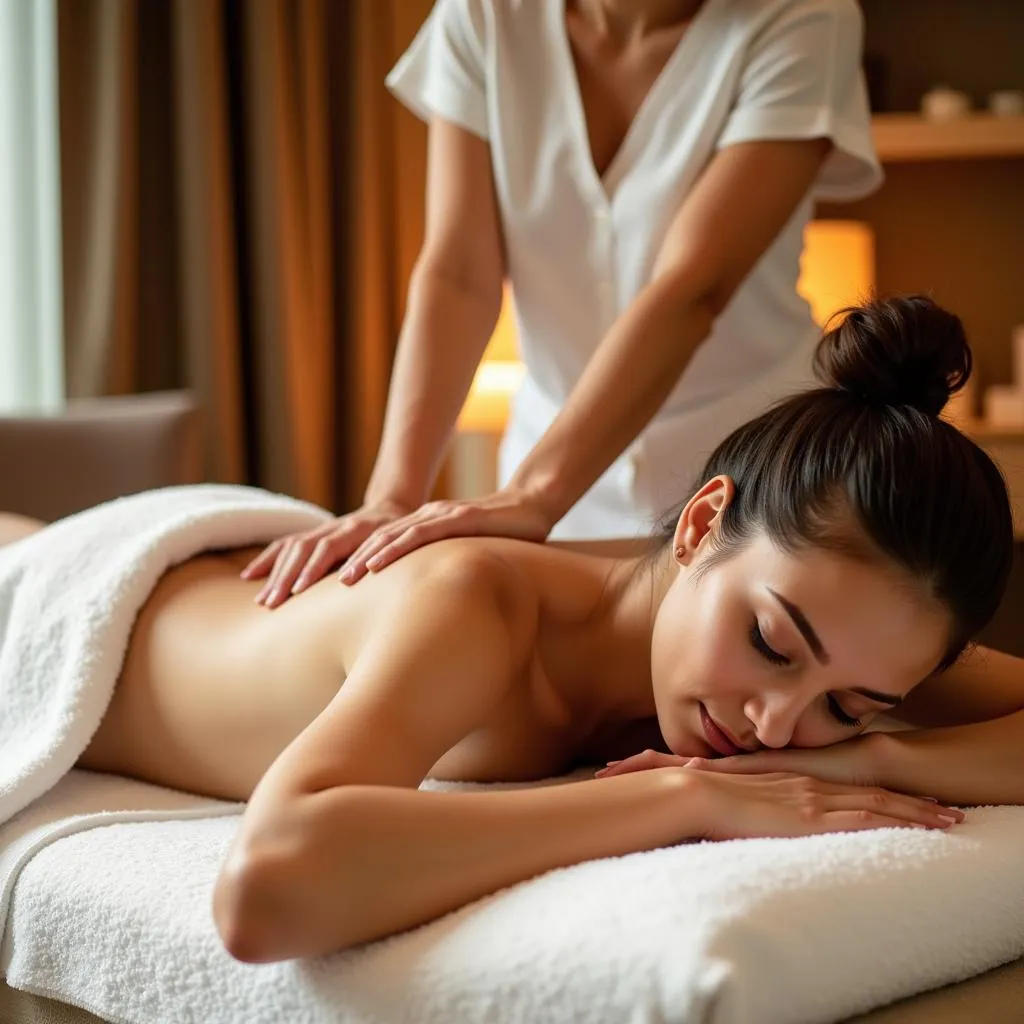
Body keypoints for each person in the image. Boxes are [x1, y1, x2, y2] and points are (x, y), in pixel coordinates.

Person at [13, 299, 1022, 963]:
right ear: (704, 522)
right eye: (768, 642)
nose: (773, 724)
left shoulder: (835, 632)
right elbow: (268, 889)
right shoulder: (477, 603)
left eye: (846, 703)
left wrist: (864, 759)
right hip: (54, 602)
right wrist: (681, 799)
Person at [244, 0, 886, 608]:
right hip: (557, 470)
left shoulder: (803, 16)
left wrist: (534, 493)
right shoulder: (485, 15)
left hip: (760, 473)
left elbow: (694, 286)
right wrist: (391, 498)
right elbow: (459, 273)